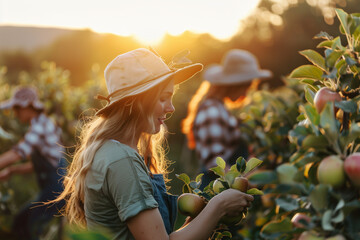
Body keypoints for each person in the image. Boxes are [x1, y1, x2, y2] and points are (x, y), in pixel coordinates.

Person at [51, 48, 254, 240]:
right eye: (163, 98)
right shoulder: (123, 161)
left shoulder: (112, 151)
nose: (171, 107)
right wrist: (218, 206)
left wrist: (201, 216)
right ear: (137, 101)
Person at [182, 49, 273, 189]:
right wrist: (248, 180)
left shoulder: (219, 107)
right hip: (216, 189)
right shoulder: (212, 111)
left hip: (222, 187)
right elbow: (215, 164)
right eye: (247, 86)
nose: (247, 92)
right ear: (236, 85)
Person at [0, 86, 66, 240]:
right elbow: (38, 165)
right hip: (54, 188)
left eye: (17, 108)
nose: (15, 113)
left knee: (30, 228)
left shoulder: (39, 126)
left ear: (28, 106)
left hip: (56, 190)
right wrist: (12, 171)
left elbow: (19, 152)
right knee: (21, 223)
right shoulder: (40, 123)